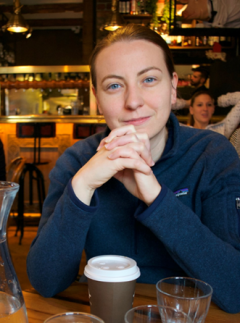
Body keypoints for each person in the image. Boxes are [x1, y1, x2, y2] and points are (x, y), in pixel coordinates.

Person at [27, 24, 240, 314]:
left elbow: (235, 288)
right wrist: (82, 187)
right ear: (96, 97)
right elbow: (46, 282)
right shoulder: (77, 162)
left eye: (149, 79)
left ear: (174, 85)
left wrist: (155, 197)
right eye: (114, 85)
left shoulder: (211, 154)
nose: (133, 101)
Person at [173, 91, 240, 139]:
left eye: (209, 105)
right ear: (191, 110)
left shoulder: (222, 129)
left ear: (213, 109)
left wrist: (219, 101)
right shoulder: (180, 130)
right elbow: (163, 104)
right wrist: (186, 103)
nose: (205, 108)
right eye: (200, 105)